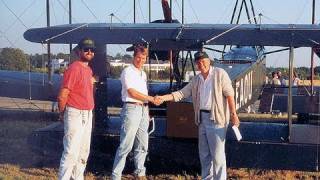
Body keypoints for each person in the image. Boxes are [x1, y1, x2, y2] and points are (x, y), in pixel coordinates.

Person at [157, 51, 240, 180]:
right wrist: (163, 98)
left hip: (217, 119)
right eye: (199, 63)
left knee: (218, 157)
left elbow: (230, 94)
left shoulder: (220, 74)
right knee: (204, 155)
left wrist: (234, 114)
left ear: (209, 61)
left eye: (204, 61)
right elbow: (181, 93)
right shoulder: (196, 80)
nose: (202, 64)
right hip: (201, 120)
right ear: (196, 65)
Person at [111, 44, 161, 180]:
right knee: (126, 145)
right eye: (138, 57)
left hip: (143, 110)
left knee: (143, 144)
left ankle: (140, 172)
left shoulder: (143, 74)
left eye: (143, 57)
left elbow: (142, 93)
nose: (141, 60)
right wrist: (151, 99)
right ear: (134, 57)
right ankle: (115, 175)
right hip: (131, 108)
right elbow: (131, 92)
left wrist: (147, 109)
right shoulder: (127, 71)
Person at [57, 37, 96, 180]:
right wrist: (62, 113)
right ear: (79, 51)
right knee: (71, 151)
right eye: (86, 49)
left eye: (92, 50)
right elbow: (63, 95)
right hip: (75, 113)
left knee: (83, 152)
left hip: (87, 113)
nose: (89, 52)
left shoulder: (89, 70)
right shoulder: (73, 68)